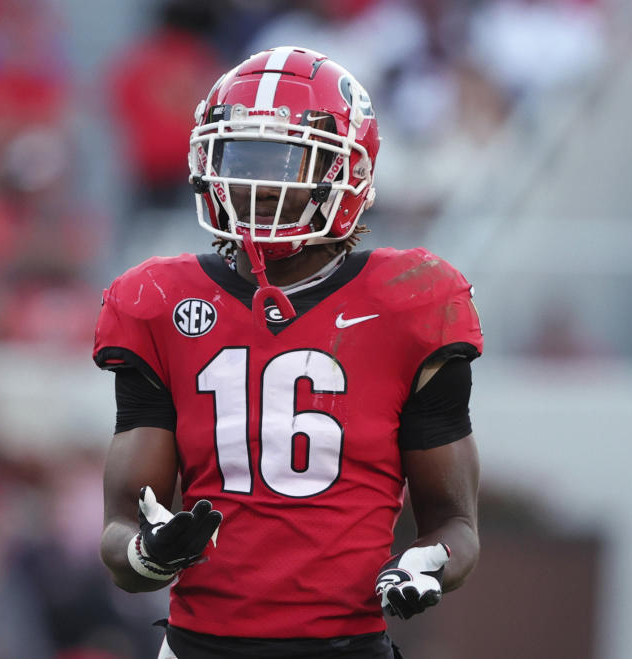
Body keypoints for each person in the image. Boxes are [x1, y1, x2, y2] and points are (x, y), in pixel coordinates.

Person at [94, 46, 484, 659]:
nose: (256, 184)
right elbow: (121, 530)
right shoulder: (156, 301)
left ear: (345, 173)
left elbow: (455, 526)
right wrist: (149, 553)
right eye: (240, 157)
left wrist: (426, 566)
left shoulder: (411, 301)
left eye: (283, 161)